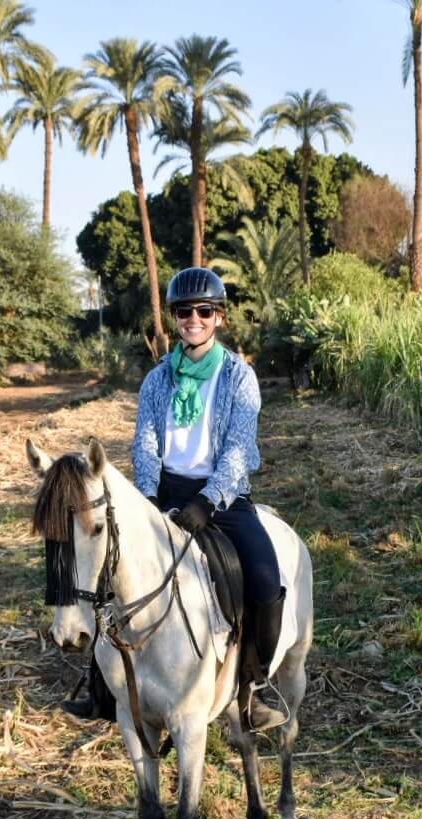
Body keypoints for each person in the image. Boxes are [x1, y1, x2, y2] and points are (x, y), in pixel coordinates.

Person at [132, 266, 287, 732]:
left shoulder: (240, 378)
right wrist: (149, 499)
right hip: (164, 491)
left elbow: (241, 448)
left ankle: (255, 686)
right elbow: (145, 444)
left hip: (223, 495)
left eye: (203, 310)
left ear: (219, 317)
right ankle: (104, 686)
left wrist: (208, 500)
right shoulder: (156, 380)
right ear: (174, 318)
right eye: (183, 311)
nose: (192, 319)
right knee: (108, 571)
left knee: (264, 576)